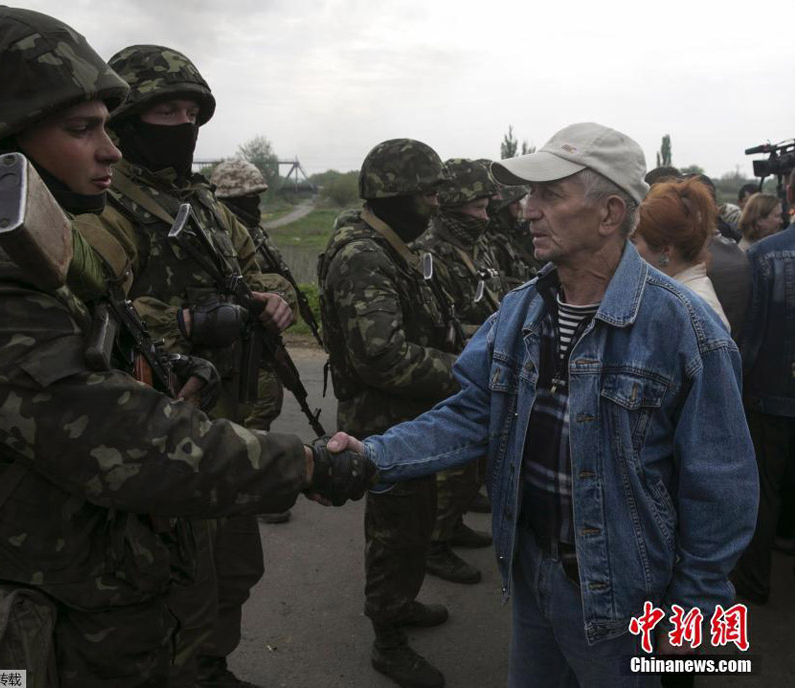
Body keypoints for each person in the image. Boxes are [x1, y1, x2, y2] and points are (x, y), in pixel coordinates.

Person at [0, 8, 373, 685]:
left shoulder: (34, 252)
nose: (111, 151)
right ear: (3, 141)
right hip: (39, 622)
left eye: (106, 126)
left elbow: (89, 367)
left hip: (88, 595)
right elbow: (120, 440)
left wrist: (165, 363)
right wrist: (303, 464)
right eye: (82, 130)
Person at [329, 122, 758, 687]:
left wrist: (692, 618)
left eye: (550, 194)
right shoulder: (521, 310)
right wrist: (372, 455)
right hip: (534, 574)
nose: (528, 210)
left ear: (609, 214)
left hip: (629, 603)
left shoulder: (687, 330)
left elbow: (721, 487)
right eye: (531, 194)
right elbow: (472, 411)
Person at [91, 44, 301, 688]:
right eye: (167, 112)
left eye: (192, 113)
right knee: (173, 589)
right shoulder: (103, 204)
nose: (183, 125)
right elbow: (92, 315)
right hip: (162, 430)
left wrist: (275, 298)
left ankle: (211, 668)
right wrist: (184, 322)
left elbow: (262, 268)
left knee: (234, 572)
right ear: (126, 120)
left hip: (227, 426)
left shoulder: (204, 204)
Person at [317, 139, 458, 688]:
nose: (436, 204)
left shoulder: (391, 246)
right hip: (382, 420)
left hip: (406, 415)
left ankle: (401, 603)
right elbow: (383, 358)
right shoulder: (364, 256)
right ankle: (388, 639)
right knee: (395, 534)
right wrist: (465, 370)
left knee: (415, 524)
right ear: (396, 194)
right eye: (428, 194)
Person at [412, 157, 501, 585]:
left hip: (481, 364)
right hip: (454, 369)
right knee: (455, 468)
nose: (485, 217)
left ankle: (453, 523)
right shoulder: (428, 252)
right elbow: (430, 325)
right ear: (451, 206)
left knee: (475, 464)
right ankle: (434, 543)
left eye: (487, 208)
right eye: (477, 208)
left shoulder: (475, 244)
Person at [211, 158, 293, 525]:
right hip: (238, 344)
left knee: (265, 407)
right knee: (252, 414)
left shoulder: (254, 234)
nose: (256, 206)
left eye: (257, 197)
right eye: (248, 199)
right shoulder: (219, 236)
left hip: (262, 340)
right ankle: (252, 493)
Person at [730, 170, 795, 606]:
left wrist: (738, 385)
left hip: (769, 392)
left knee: (763, 489)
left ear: (788, 193)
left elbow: (751, 334)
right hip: (770, 391)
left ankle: (754, 582)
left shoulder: (766, 256)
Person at [631, 176, 730, 330]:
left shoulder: (692, 307)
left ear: (665, 250)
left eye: (634, 241)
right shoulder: (675, 293)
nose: (627, 249)